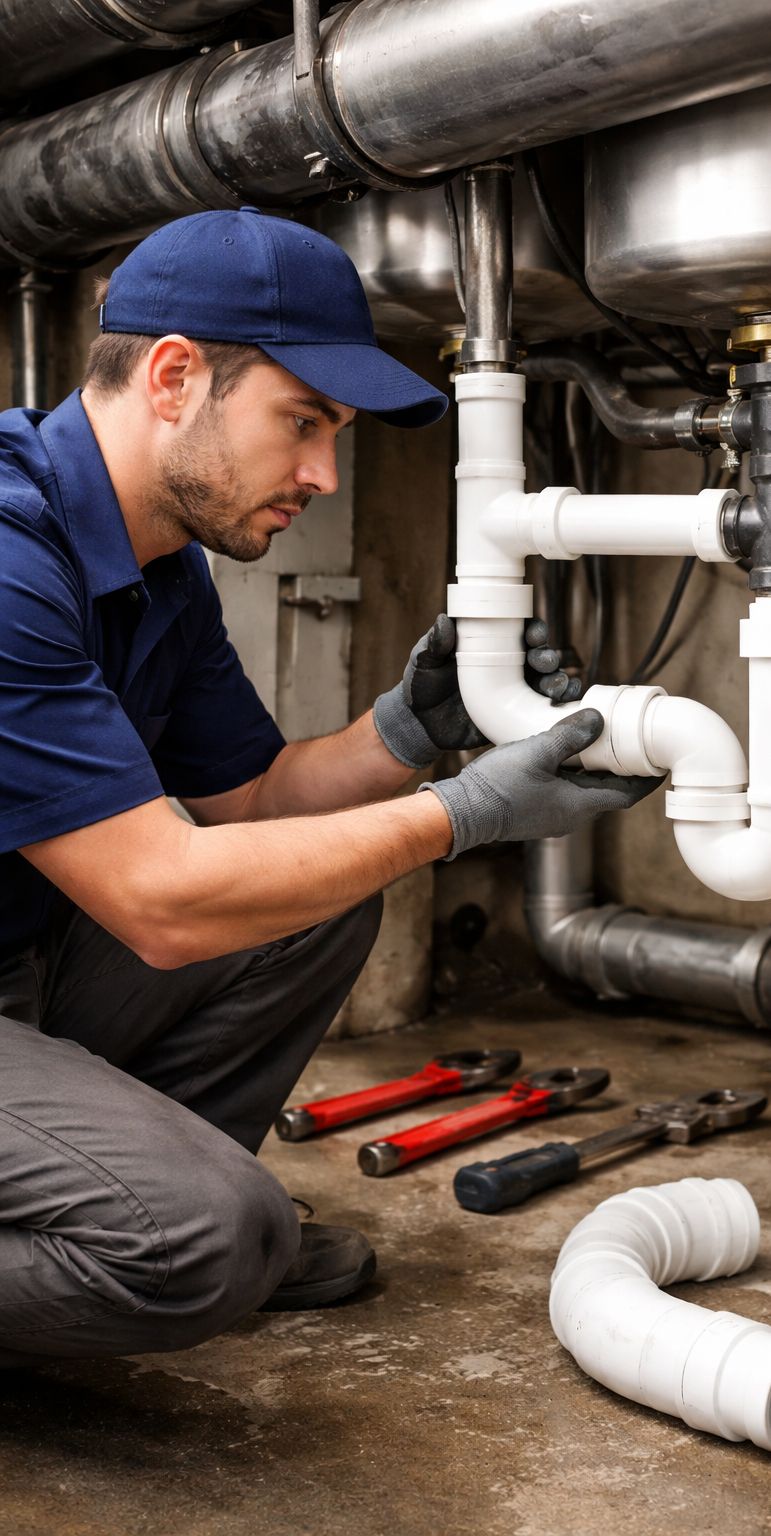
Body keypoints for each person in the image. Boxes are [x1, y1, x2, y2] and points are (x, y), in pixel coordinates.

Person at [0, 208, 660, 1367]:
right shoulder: (11, 560)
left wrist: (407, 735)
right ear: (172, 377)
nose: (322, 474)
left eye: (334, 435)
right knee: (208, 1237)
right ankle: (167, 1238)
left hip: (24, 960)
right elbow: (162, 899)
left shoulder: (162, 565)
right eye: (302, 422)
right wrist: (461, 816)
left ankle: (139, 1225)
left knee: (318, 899)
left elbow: (254, 803)